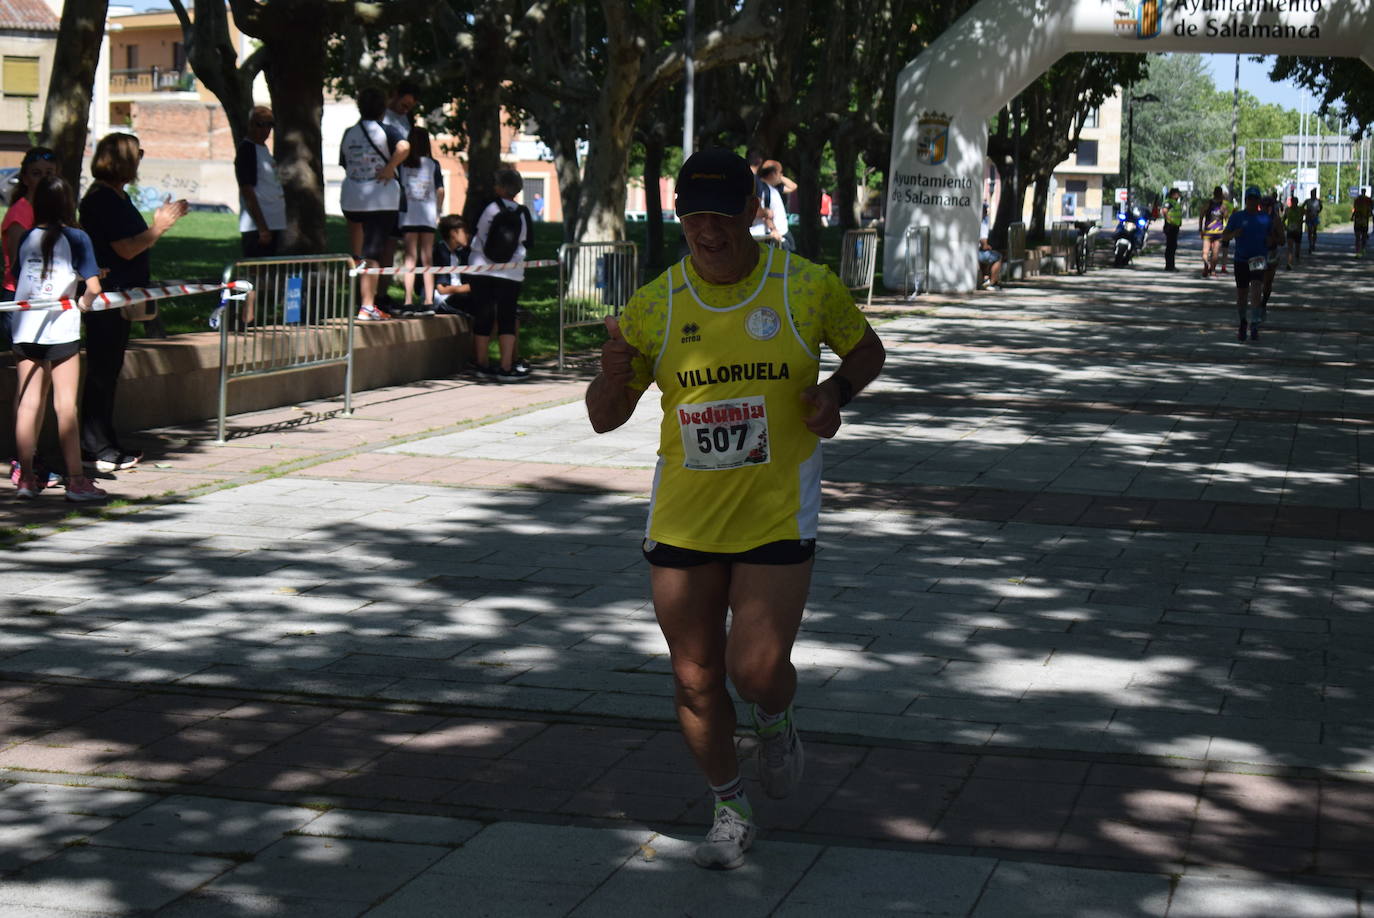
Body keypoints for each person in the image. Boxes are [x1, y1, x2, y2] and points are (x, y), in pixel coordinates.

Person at [585, 148, 885, 871]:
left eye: (723, 213)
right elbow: (604, 418)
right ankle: (728, 806)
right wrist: (613, 376)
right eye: (693, 215)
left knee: (753, 670)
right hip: (686, 513)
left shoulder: (802, 287)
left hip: (775, 507)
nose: (708, 229)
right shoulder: (656, 303)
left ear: (754, 210)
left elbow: (867, 350)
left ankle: (775, 720)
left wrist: (834, 397)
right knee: (693, 674)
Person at [78, 132, 187, 474]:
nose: (141, 158)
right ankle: (95, 446)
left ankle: (104, 440)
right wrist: (159, 227)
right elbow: (124, 248)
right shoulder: (101, 200)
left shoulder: (116, 197)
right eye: (137, 153)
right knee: (101, 371)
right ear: (122, 159)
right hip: (107, 296)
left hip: (122, 297)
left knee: (109, 371)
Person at [10, 176, 107, 501]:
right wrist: (84, 302)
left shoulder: (27, 237)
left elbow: (22, 275)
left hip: (26, 328)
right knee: (65, 405)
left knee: (28, 404)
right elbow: (93, 288)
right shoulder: (77, 238)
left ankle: (25, 478)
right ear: (69, 203)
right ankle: (77, 481)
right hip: (61, 330)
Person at [340, 86, 410, 321]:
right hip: (380, 199)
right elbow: (404, 147)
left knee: (358, 253)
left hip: (351, 197)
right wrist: (390, 168)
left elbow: (344, 162)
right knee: (373, 253)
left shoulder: (349, 133)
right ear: (382, 108)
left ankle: (360, 302)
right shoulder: (386, 130)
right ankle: (368, 305)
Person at [468, 169, 533, 378]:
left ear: (500, 187)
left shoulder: (489, 207)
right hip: (511, 272)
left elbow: (476, 232)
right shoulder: (523, 212)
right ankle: (506, 367)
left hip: (481, 267)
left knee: (483, 314)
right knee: (507, 316)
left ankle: (482, 364)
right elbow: (528, 241)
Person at [234, 105, 285, 329]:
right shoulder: (247, 150)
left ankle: (257, 317)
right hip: (258, 225)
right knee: (252, 274)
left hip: (274, 221)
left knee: (265, 274)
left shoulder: (264, 150)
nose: (266, 129)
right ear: (250, 124)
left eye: (270, 124)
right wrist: (262, 226)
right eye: (260, 124)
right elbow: (248, 190)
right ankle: (245, 319)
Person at [1219, 186, 1275, 342]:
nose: (1252, 201)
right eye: (1250, 199)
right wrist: (1233, 234)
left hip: (1258, 259)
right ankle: (1243, 322)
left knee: (1256, 291)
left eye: (1255, 199)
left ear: (1258, 201)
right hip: (1241, 259)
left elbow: (1274, 237)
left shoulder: (1265, 218)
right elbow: (1224, 236)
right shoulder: (1237, 217)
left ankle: (1254, 325)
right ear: (1246, 201)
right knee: (1242, 294)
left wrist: (1271, 241)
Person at [397, 126, 444, 313]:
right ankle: (428, 300)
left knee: (410, 258)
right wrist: (438, 211)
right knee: (427, 258)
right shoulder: (433, 164)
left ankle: (408, 300)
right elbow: (440, 190)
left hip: (408, 214)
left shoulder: (402, 165)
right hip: (428, 215)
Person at [3, 147, 59, 302]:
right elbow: (17, 264)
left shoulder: (57, 210)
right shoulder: (19, 213)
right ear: (25, 179)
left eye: (49, 173)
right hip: (20, 294)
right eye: (36, 173)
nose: (43, 178)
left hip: (47, 292)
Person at [432, 213, 472, 317]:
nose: (468, 235)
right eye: (465, 232)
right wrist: (472, 287)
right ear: (454, 233)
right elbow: (442, 290)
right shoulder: (440, 252)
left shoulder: (459, 254)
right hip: (443, 301)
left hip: (457, 297)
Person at [759, 160, 797, 251]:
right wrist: (773, 230)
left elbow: (793, 187)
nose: (781, 175)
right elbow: (765, 212)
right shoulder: (763, 190)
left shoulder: (774, 188)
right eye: (780, 172)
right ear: (773, 173)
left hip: (783, 232)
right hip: (777, 236)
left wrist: (779, 176)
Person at [1199, 186, 1228, 278]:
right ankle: (1212, 270)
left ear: (1213, 193)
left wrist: (1200, 228)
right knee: (1215, 253)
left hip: (1208, 231)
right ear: (1221, 194)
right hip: (1218, 232)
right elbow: (1226, 219)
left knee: (1205, 252)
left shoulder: (1208, 203)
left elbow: (1201, 215)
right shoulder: (1223, 206)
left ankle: (1206, 264)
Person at [1161, 187, 1183, 271]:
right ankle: (1168, 266)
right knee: (1170, 246)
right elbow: (1165, 211)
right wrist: (1170, 221)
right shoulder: (1168, 202)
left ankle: (1171, 265)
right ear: (1173, 194)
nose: (1179, 195)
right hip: (1170, 226)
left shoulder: (1175, 202)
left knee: (1173, 246)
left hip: (1175, 226)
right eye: (1178, 193)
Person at [1283, 194, 1305, 269]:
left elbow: (1306, 215)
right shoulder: (1287, 210)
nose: (1294, 203)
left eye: (1295, 202)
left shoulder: (1300, 209)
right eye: (1293, 201)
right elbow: (1283, 219)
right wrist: (1285, 227)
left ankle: (1297, 258)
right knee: (1290, 248)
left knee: (1297, 249)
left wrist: (1303, 221)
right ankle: (1289, 263)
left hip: (1298, 231)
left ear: (1297, 202)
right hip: (1290, 231)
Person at [1351, 187, 1371, 258]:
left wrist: (1352, 216)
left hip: (1358, 220)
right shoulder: (1368, 200)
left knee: (1358, 237)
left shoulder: (1357, 199)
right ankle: (1362, 249)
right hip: (1364, 220)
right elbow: (1370, 210)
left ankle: (1358, 251)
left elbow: (1355, 209)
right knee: (1363, 236)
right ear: (1365, 192)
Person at [1304, 188, 1323, 254]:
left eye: (1314, 194)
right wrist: (1306, 212)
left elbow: (1321, 207)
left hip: (1315, 217)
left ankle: (1313, 244)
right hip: (1309, 217)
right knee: (1309, 231)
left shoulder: (1318, 201)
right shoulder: (1307, 201)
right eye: (1312, 193)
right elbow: (1303, 206)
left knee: (1314, 231)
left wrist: (1318, 211)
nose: (1313, 195)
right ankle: (1310, 244)